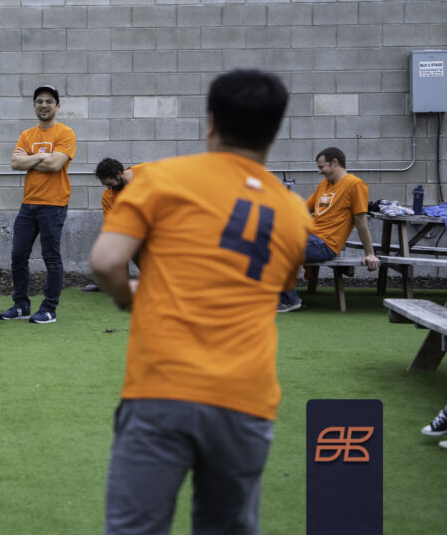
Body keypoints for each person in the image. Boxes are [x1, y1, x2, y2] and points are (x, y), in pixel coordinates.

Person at [90, 69, 312, 534]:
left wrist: (129, 298)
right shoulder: (294, 212)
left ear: (211, 122)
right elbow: (272, 284)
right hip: (246, 396)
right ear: (275, 131)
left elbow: (107, 262)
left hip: (162, 385)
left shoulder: (161, 179)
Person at [0, 85, 76, 324]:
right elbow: (15, 164)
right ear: (34, 106)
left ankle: (49, 309)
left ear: (57, 106)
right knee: (18, 255)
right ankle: (21, 306)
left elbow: (55, 165)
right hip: (28, 204)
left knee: (51, 257)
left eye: (49, 101)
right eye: (40, 101)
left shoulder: (65, 133)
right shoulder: (27, 135)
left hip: (53, 204)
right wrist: (43, 156)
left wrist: (30, 159)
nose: (44, 105)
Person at [277, 146, 380, 312]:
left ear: (334, 163)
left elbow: (360, 221)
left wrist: (370, 253)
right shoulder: (324, 185)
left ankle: (289, 300)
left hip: (326, 244)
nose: (319, 172)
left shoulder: (355, 184)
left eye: (321, 167)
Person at [83, 158, 143, 292]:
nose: (109, 188)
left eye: (110, 184)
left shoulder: (145, 172)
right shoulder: (108, 196)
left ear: (119, 173)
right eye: (106, 185)